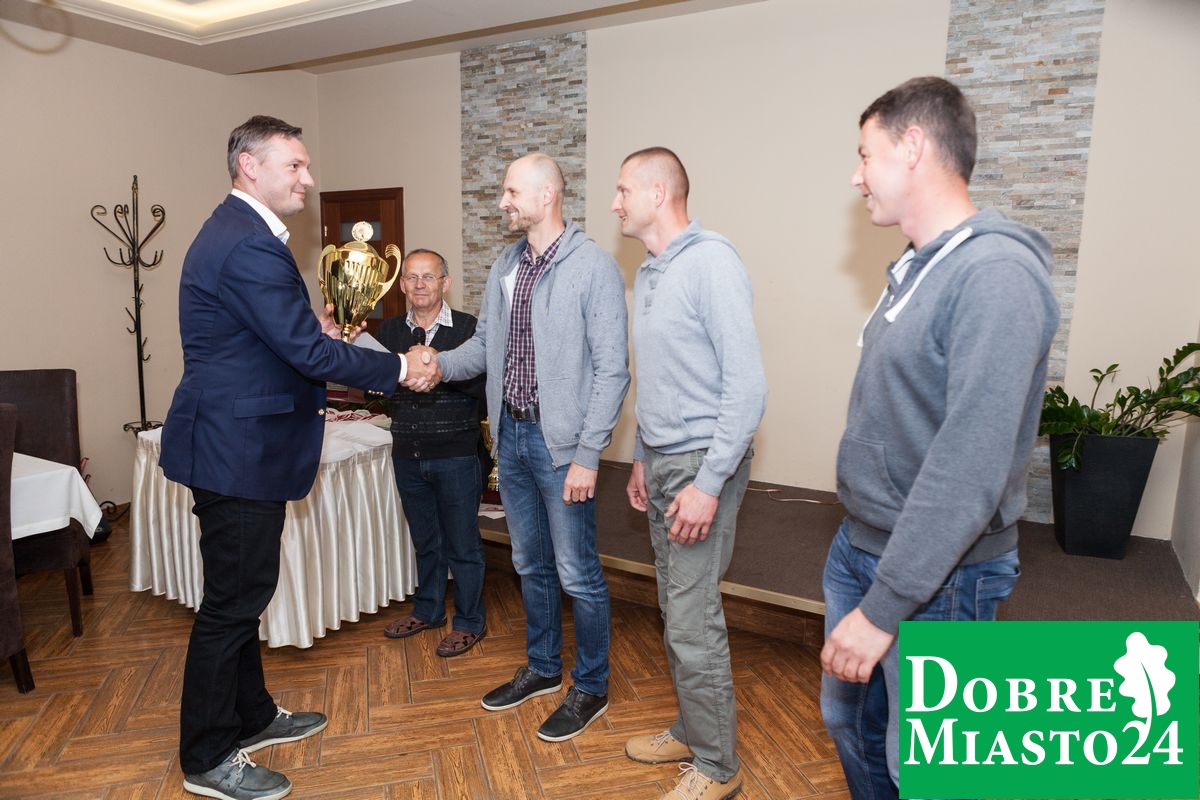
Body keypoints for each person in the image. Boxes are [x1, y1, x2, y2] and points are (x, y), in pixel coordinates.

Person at [160, 115, 437, 800]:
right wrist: (400, 367)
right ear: (250, 166)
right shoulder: (247, 243)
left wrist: (309, 335)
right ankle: (206, 756)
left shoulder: (240, 233)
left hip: (240, 444)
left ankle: (251, 716)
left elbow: (270, 341)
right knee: (231, 605)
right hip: (236, 451)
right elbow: (306, 353)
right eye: (295, 166)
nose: (308, 179)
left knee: (244, 595)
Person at [819, 77, 1060, 799]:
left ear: (914, 146)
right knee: (851, 724)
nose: (856, 175)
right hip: (863, 544)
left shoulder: (996, 277)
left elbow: (969, 467)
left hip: (941, 576)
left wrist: (884, 608)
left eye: (866, 155)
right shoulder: (921, 265)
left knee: (929, 770)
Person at [430, 152, 629, 742]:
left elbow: (612, 371)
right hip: (511, 435)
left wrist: (588, 455)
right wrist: (433, 365)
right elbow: (484, 348)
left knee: (577, 572)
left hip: (562, 445)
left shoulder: (592, 266)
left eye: (512, 191)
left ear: (547, 195)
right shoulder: (507, 263)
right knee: (528, 563)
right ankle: (543, 668)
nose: (503, 202)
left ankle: (591, 686)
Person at [614, 147, 767, 800]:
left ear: (657, 192)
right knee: (675, 609)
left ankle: (718, 766)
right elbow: (661, 378)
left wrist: (708, 484)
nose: (615, 203)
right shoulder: (650, 271)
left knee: (692, 618)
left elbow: (747, 388)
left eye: (623, 190)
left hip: (702, 465)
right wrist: (641, 454)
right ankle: (692, 729)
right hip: (663, 460)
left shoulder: (711, 262)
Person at [378, 249, 488, 657]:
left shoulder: (469, 329)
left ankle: (470, 621)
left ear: (446, 282)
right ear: (402, 285)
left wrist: (436, 370)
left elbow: (482, 388)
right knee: (426, 541)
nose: (420, 284)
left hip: (457, 454)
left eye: (429, 276)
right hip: (407, 451)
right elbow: (380, 390)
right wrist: (399, 377)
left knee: (463, 545)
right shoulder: (389, 331)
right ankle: (428, 610)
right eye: (412, 277)